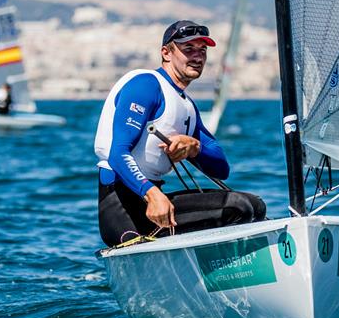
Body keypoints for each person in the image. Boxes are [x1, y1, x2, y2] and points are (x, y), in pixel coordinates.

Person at [94, 20, 266, 247]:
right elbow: (118, 154)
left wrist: (194, 147)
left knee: (254, 206)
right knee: (239, 207)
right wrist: (152, 194)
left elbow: (221, 169)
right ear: (166, 53)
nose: (197, 57)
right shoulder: (146, 85)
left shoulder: (187, 107)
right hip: (122, 209)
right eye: (188, 50)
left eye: (202, 51)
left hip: (157, 204)